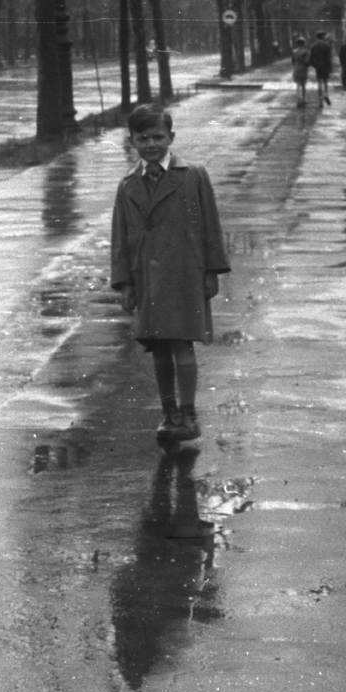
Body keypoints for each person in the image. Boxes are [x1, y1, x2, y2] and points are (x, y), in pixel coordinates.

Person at [110, 103, 231, 444]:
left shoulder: (192, 176)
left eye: (158, 137)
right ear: (132, 141)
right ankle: (168, 413)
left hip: (184, 274)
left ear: (171, 137)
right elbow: (120, 237)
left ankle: (189, 414)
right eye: (143, 138)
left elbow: (209, 224)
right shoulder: (128, 185)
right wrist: (124, 283)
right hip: (147, 278)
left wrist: (212, 270)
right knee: (159, 349)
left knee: (182, 344)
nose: (151, 145)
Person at [309, 30, 334, 106]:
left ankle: (320, 101)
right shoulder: (327, 45)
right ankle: (326, 95)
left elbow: (311, 58)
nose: (325, 37)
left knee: (319, 83)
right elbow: (329, 57)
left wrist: (315, 65)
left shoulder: (313, 46)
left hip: (318, 67)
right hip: (325, 66)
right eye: (324, 36)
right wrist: (330, 67)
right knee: (325, 82)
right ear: (322, 36)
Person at [291, 35, 311, 108]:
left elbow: (293, 62)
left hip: (296, 69)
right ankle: (303, 99)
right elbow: (307, 61)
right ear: (303, 43)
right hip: (303, 69)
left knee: (298, 85)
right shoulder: (306, 51)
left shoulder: (294, 51)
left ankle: (298, 100)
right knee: (303, 85)